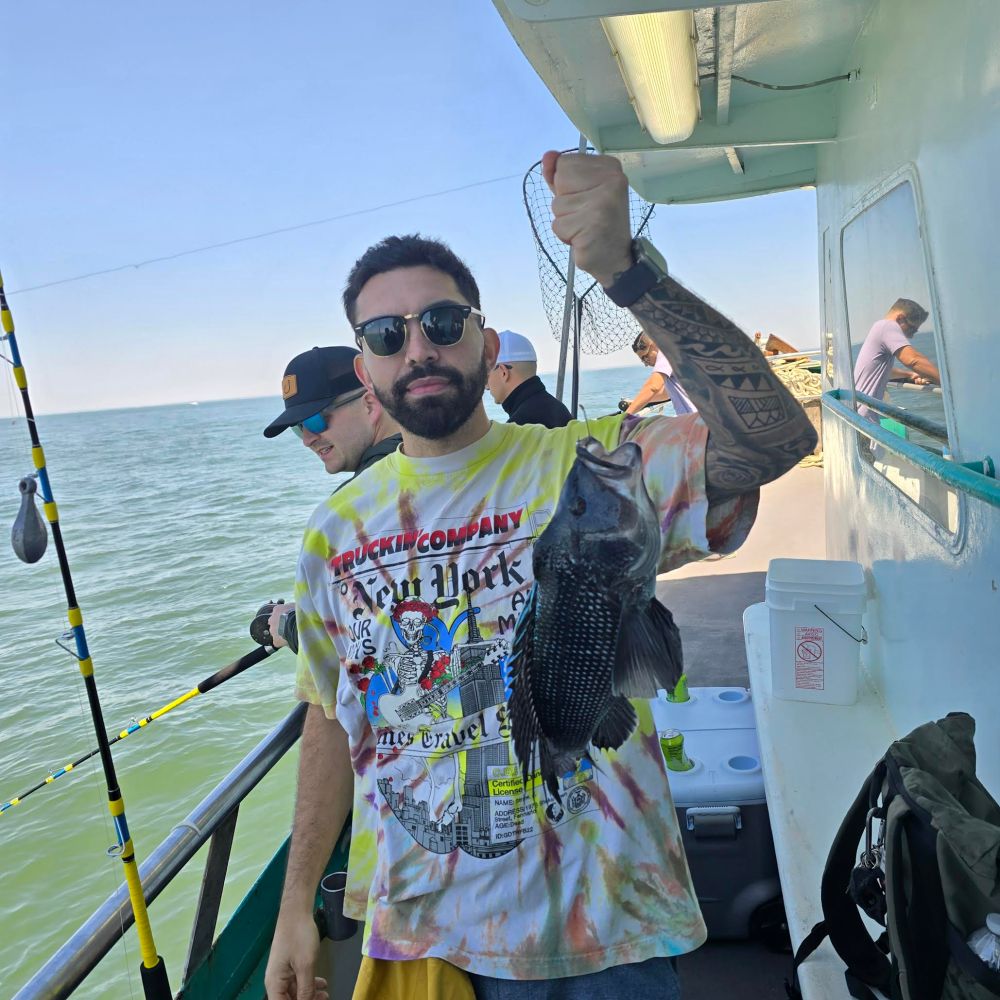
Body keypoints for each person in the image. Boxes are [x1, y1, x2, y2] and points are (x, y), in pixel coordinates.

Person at [264, 149, 816, 1000]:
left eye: (442, 323)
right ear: (367, 369)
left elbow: (774, 441)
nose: (417, 348)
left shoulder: (587, 463)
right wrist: (295, 902)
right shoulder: (332, 532)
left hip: (606, 936)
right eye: (386, 336)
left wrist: (627, 276)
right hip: (421, 941)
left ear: (486, 343)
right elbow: (328, 716)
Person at [261, 346, 402, 650]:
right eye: (298, 429)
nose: (308, 439)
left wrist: (291, 626)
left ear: (369, 402)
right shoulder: (434, 461)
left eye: (314, 421)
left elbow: (366, 634)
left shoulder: (353, 506)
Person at [853, 299, 940, 420]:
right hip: (865, 418)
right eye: (912, 329)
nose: (911, 336)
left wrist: (909, 375)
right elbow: (913, 360)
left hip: (859, 414)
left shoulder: (878, 328)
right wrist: (948, 384)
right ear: (900, 318)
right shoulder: (888, 326)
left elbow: (882, 370)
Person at [485, 329, 573, 428]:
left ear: (503, 372)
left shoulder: (519, 427)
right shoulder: (559, 409)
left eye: (486, 373)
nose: (486, 386)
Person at [624, 331, 697, 416]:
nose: (646, 364)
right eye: (643, 360)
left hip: (698, 420)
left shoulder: (666, 353)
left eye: (645, 357)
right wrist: (636, 403)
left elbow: (653, 387)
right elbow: (666, 393)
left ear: (654, 344)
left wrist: (626, 416)